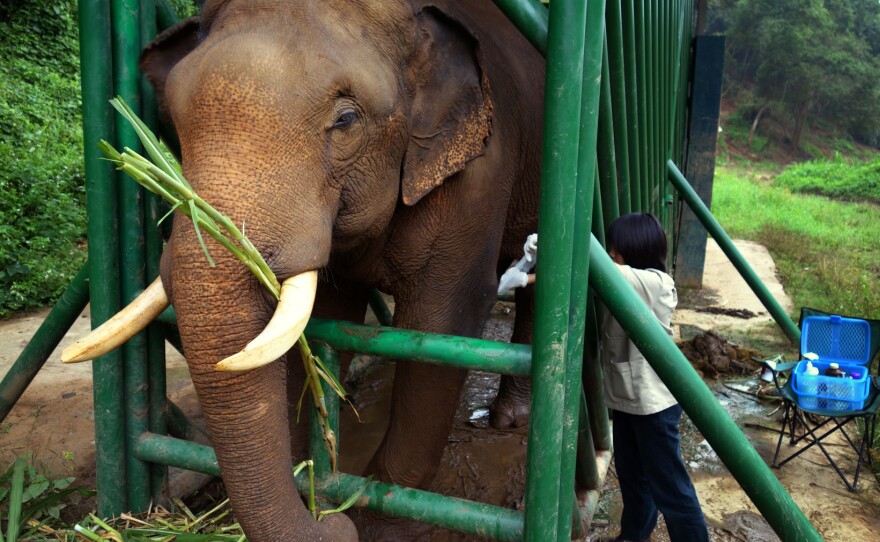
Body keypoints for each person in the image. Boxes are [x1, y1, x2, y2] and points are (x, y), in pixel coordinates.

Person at [597, 213, 709, 542]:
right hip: (627, 399)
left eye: (616, 247)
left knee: (670, 488)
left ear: (637, 249)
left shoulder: (655, 283)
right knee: (633, 480)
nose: (611, 253)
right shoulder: (628, 280)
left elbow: (604, 268)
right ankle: (633, 536)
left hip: (654, 406)